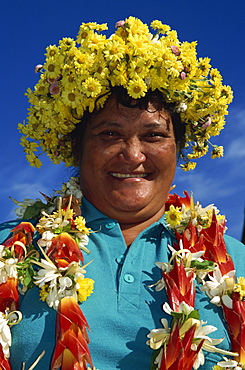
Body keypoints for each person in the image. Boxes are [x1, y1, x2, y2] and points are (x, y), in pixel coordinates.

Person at [0, 16, 244, 370]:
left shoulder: (232, 262)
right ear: (77, 148)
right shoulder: (12, 249)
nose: (133, 154)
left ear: (179, 148)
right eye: (110, 134)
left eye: (154, 135)